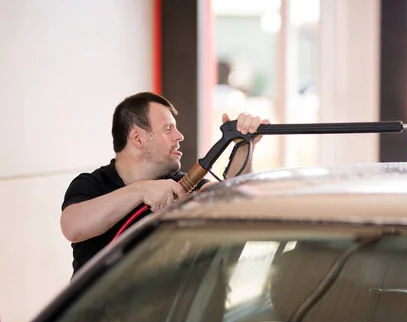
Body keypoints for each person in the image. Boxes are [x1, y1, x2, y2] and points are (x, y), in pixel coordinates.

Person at [60, 91, 268, 276]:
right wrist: (141, 191)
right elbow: (73, 227)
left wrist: (242, 149)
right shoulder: (92, 184)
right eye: (168, 129)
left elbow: (237, 207)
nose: (179, 136)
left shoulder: (183, 184)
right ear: (138, 138)